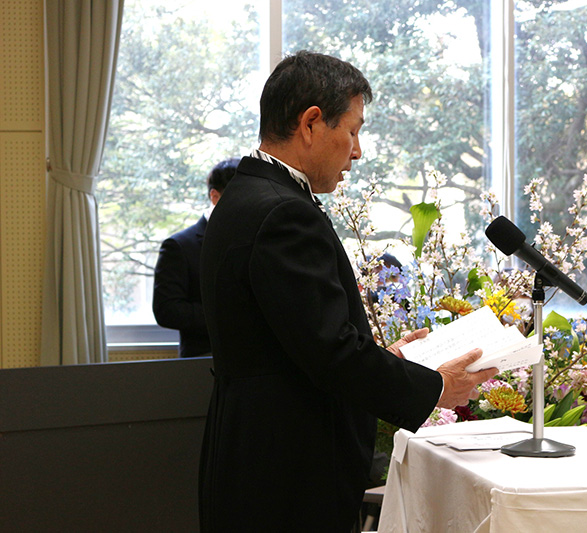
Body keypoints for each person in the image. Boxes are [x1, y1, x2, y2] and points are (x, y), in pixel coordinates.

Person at [198, 51, 496, 532]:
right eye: (353, 131)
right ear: (311, 123)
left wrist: (385, 358)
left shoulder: (247, 193)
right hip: (287, 466)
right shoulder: (283, 212)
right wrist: (437, 386)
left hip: (252, 447)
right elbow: (331, 354)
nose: (357, 152)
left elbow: (296, 339)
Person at [152, 158, 239, 358]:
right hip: (204, 360)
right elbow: (166, 310)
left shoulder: (258, 238)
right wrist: (228, 317)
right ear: (214, 197)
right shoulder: (179, 246)